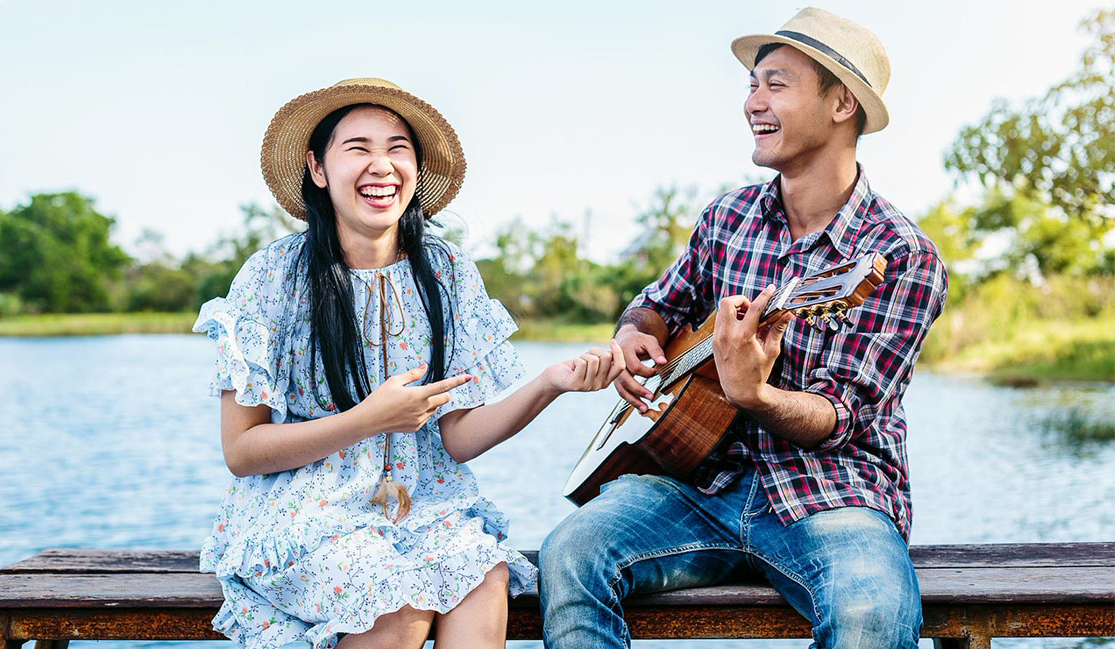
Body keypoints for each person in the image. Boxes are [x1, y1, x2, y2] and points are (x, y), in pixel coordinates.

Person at [539, 8, 948, 649]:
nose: (751, 102)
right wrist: (632, 335)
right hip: (696, 482)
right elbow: (657, 304)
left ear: (842, 103)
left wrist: (754, 395)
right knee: (569, 553)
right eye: (751, 86)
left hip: (833, 493)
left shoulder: (899, 254)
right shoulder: (727, 216)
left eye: (775, 84)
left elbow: (846, 414)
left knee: (872, 614)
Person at [194, 78, 624, 649]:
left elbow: (459, 440)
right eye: (358, 148)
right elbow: (242, 452)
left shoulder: (446, 272)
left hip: (427, 505)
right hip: (305, 511)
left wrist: (550, 384)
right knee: (400, 608)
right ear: (317, 169)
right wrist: (369, 419)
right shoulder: (273, 277)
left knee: (484, 578)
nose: (382, 166)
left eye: (398, 148)